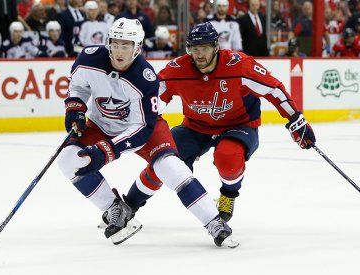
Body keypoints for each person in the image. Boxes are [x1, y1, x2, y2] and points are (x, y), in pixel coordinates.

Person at [56, 18, 238, 248]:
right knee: (67, 159)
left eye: (126, 45)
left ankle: (214, 222)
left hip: (144, 128)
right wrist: (75, 107)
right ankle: (115, 208)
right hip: (100, 124)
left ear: (137, 47)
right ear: (108, 42)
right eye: (116, 44)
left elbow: (141, 128)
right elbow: (78, 86)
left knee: (170, 167)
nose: (119, 51)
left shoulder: (145, 78)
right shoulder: (88, 58)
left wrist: (108, 150)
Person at [131, 21, 316, 222]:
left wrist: (295, 119)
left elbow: (273, 89)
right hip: (195, 127)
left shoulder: (240, 65)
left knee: (228, 158)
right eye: (195, 49)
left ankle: (228, 195)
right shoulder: (178, 69)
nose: (199, 54)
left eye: (204, 48)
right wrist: (144, 121)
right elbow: (155, 98)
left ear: (216, 47)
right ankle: (129, 204)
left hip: (239, 126)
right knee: (163, 160)